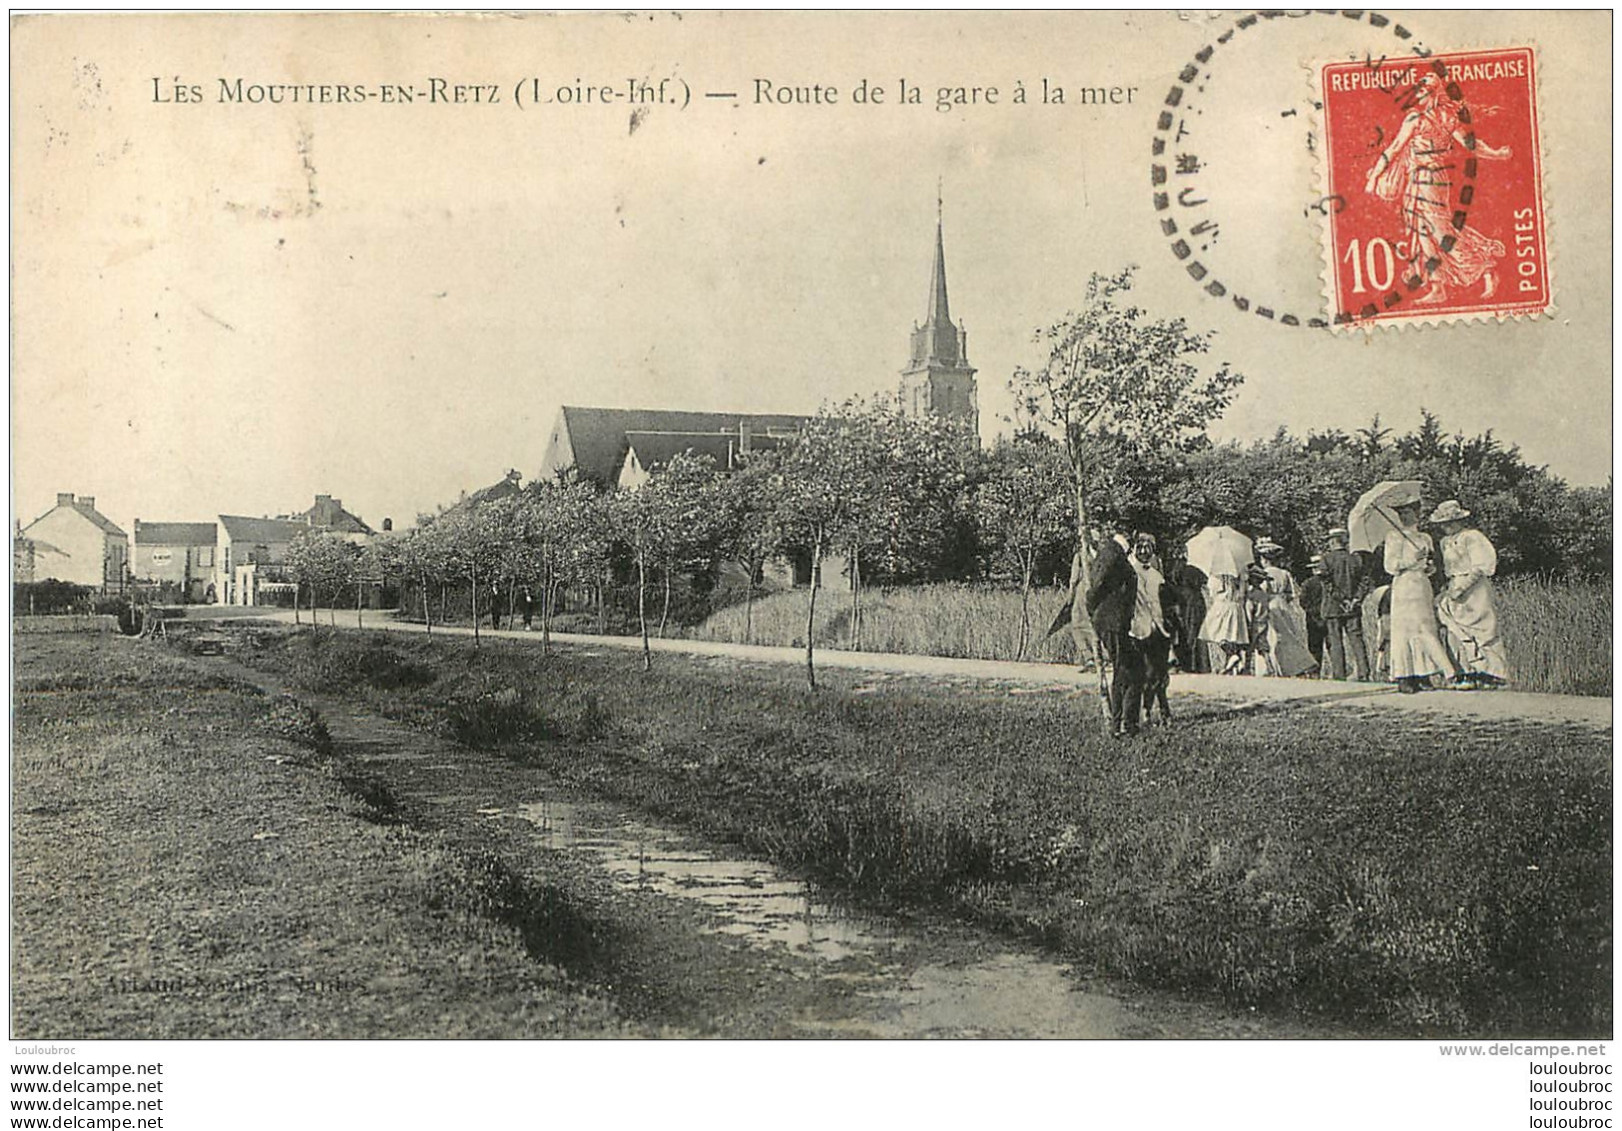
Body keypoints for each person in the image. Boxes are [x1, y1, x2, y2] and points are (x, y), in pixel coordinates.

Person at [1364, 70, 1513, 305]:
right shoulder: (1440, 119)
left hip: (1428, 181)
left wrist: (1374, 178)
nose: (1418, 96)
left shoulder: (1423, 119)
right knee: (1423, 232)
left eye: (1422, 92)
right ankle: (1437, 286)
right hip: (1425, 180)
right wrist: (1496, 153)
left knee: (1440, 232)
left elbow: (1394, 149)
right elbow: (1472, 144)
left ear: (1432, 94)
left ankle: (1483, 267)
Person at [1429, 499, 1510, 688]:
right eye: (1443, 524)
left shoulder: (1472, 537)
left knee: (1482, 628)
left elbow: (1481, 565)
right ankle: (1466, 671)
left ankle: (1492, 672)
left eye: (1451, 522)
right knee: (1456, 630)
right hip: (1453, 585)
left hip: (1474, 588)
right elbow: (1447, 568)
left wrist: (1463, 585)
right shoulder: (1444, 542)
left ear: (1460, 521)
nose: (1447, 527)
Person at [1383, 501, 1457, 692]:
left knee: (1426, 628)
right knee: (1405, 630)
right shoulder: (1393, 537)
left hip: (1422, 586)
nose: (1404, 517)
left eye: (1408, 512)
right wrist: (1411, 559)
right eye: (1401, 513)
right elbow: (1390, 566)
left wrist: (1429, 568)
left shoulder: (1425, 538)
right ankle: (1404, 676)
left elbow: (1430, 564)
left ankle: (1424, 673)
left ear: (1417, 514)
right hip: (1404, 587)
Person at [1085, 524, 1143, 738]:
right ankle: (1122, 724)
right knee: (1126, 671)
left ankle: (1123, 723)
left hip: (1115, 621)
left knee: (1129, 670)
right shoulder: (1112, 552)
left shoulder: (1114, 552)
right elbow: (1097, 583)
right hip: (1112, 621)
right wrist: (1092, 608)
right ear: (1127, 536)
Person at [1128, 533, 1174, 726]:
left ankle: (1162, 711)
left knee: (1160, 673)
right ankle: (1142, 713)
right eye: (1140, 547)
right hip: (1136, 630)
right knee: (1142, 674)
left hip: (1158, 630)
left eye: (1148, 547)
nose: (1144, 551)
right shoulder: (1129, 573)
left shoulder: (1157, 576)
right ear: (1134, 549)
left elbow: (1164, 602)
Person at [1256, 539, 1317, 677]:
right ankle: (1295, 666)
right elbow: (1291, 594)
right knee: (1288, 636)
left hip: (1270, 604)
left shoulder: (1263, 574)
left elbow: (1261, 592)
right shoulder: (1284, 573)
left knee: (1271, 637)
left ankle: (1271, 668)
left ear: (1265, 560)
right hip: (1282, 604)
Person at [1320, 528, 1370, 681]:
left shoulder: (1326, 559)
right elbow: (1364, 581)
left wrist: (1342, 599)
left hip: (1334, 607)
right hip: (1353, 607)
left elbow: (1327, 584)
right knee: (1356, 639)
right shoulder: (1356, 559)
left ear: (1334, 541)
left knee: (1336, 641)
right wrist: (1356, 599)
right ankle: (1364, 673)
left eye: (1329, 540)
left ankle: (1339, 675)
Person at [1199, 557, 1249, 676]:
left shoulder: (1216, 573)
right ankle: (1232, 664)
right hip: (1236, 605)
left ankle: (1233, 656)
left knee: (1216, 634)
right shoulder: (1241, 569)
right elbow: (1244, 590)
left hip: (1221, 605)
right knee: (1232, 636)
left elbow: (1212, 591)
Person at [1173, 561, 1208, 673]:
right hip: (1195, 611)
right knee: (1195, 637)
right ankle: (1198, 665)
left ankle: (1188, 665)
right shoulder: (1197, 593)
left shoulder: (1181, 591)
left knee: (1187, 637)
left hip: (1187, 613)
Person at [1302, 556, 1329, 676]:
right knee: (1332, 646)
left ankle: (1315, 672)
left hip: (1313, 618)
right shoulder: (1328, 582)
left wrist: (1311, 611)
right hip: (1328, 617)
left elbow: (1303, 601)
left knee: (1314, 646)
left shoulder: (1308, 583)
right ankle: (1338, 672)